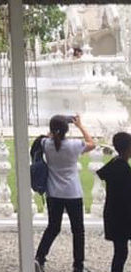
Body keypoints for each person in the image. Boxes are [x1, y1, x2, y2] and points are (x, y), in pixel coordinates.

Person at [34, 114, 95, 272]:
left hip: (53, 193)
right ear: (67, 129)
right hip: (72, 192)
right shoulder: (74, 145)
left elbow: (46, 138)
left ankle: (40, 257)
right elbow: (92, 143)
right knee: (78, 230)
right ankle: (78, 265)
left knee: (53, 227)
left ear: (52, 129)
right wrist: (79, 125)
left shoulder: (46, 143)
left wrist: (55, 130)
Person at [96, 132, 131, 272]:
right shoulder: (123, 170)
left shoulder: (115, 163)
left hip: (113, 212)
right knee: (121, 252)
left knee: (120, 250)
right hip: (122, 215)